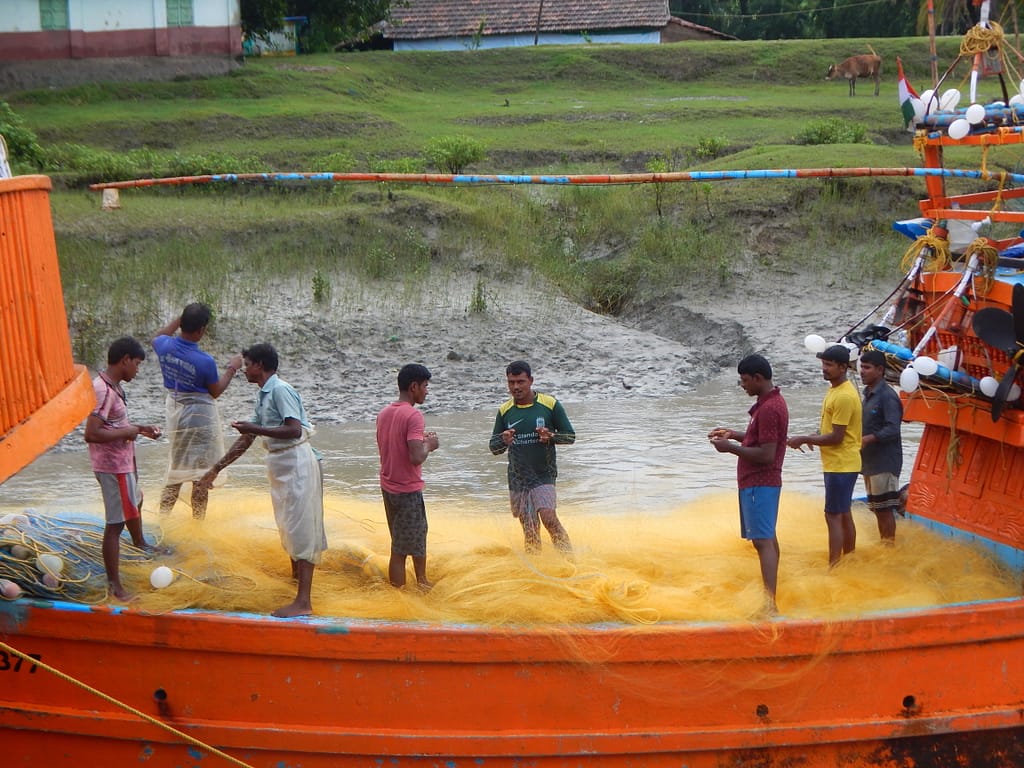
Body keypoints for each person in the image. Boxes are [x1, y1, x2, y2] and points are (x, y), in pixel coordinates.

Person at [196, 343, 326, 617]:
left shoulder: (280, 390)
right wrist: (216, 469)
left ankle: (304, 601)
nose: (244, 370)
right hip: (282, 465)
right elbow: (247, 438)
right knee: (289, 525)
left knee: (302, 527)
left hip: (297, 462)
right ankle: (296, 585)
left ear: (260, 365)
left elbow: (293, 429)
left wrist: (254, 428)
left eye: (247, 364)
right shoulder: (263, 395)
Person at [84, 336, 163, 600]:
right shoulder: (103, 390)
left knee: (136, 501)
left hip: (124, 461)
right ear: (125, 360)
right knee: (115, 525)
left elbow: (115, 425)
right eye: (137, 364)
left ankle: (140, 543)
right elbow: (92, 433)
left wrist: (140, 429)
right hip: (112, 466)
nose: (137, 370)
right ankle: (115, 586)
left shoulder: (113, 387)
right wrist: (129, 431)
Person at [709, 354, 789, 614]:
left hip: (760, 483)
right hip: (758, 483)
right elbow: (761, 439)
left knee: (763, 541)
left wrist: (729, 448)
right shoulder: (769, 404)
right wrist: (733, 435)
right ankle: (771, 596)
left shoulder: (769, 408)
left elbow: (766, 454)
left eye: (744, 380)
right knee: (766, 539)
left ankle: (770, 604)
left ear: (757, 378)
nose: (742, 385)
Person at [152, 303, 243, 519]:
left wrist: (180, 317)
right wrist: (232, 368)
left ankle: (162, 519)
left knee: (176, 468)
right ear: (202, 330)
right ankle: (198, 522)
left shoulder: (163, 345)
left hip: (175, 413)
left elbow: (159, 335)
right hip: (200, 418)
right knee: (201, 474)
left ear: (181, 323)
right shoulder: (205, 361)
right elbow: (215, 391)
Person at [488, 360, 575, 554]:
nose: (515, 387)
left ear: (531, 381)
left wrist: (551, 436)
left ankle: (571, 563)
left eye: (520, 381)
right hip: (518, 478)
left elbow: (570, 436)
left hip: (544, 474)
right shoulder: (505, 410)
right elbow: (494, 447)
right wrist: (504, 440)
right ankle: (535, 572)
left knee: (549, 518)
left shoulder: (549, 404)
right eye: (511, 382)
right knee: (529, 529)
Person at [787, 344, 862, 567]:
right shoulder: (836, 390)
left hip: (841, 464)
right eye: (823, 364)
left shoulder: (845, 396)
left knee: (833, 515)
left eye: (829, 365)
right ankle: (849, 559)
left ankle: (835, 565)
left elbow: (838, 437)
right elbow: (834, 430)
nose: (824, 369)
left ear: (842, 367)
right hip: (840, 463)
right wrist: (815, 435)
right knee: (844, 513)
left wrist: (805, 439)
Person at [376, 363, 440, 589]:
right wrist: (429, 445)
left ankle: (423, 581)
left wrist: (419, 441)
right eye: (425, 386)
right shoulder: (413, 415)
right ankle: (400, 593)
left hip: (389, 486)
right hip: (407, 490)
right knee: (400, 549)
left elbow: (393, 447)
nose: (426, 391)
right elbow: (416, 457)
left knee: (416, 535)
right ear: (414, 387)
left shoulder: (384, 413)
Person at [859, 349, 904, 542]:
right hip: (870, 462)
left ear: (880, 370)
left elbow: (893, 428)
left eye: (867, 368)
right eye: (861, 366)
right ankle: (885, 543)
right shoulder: (868, 393)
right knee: (877, 508)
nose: (862, 371)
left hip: (885, 462)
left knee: (884, 510)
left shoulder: (888, 396)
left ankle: (890, 546)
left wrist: (868, 439)